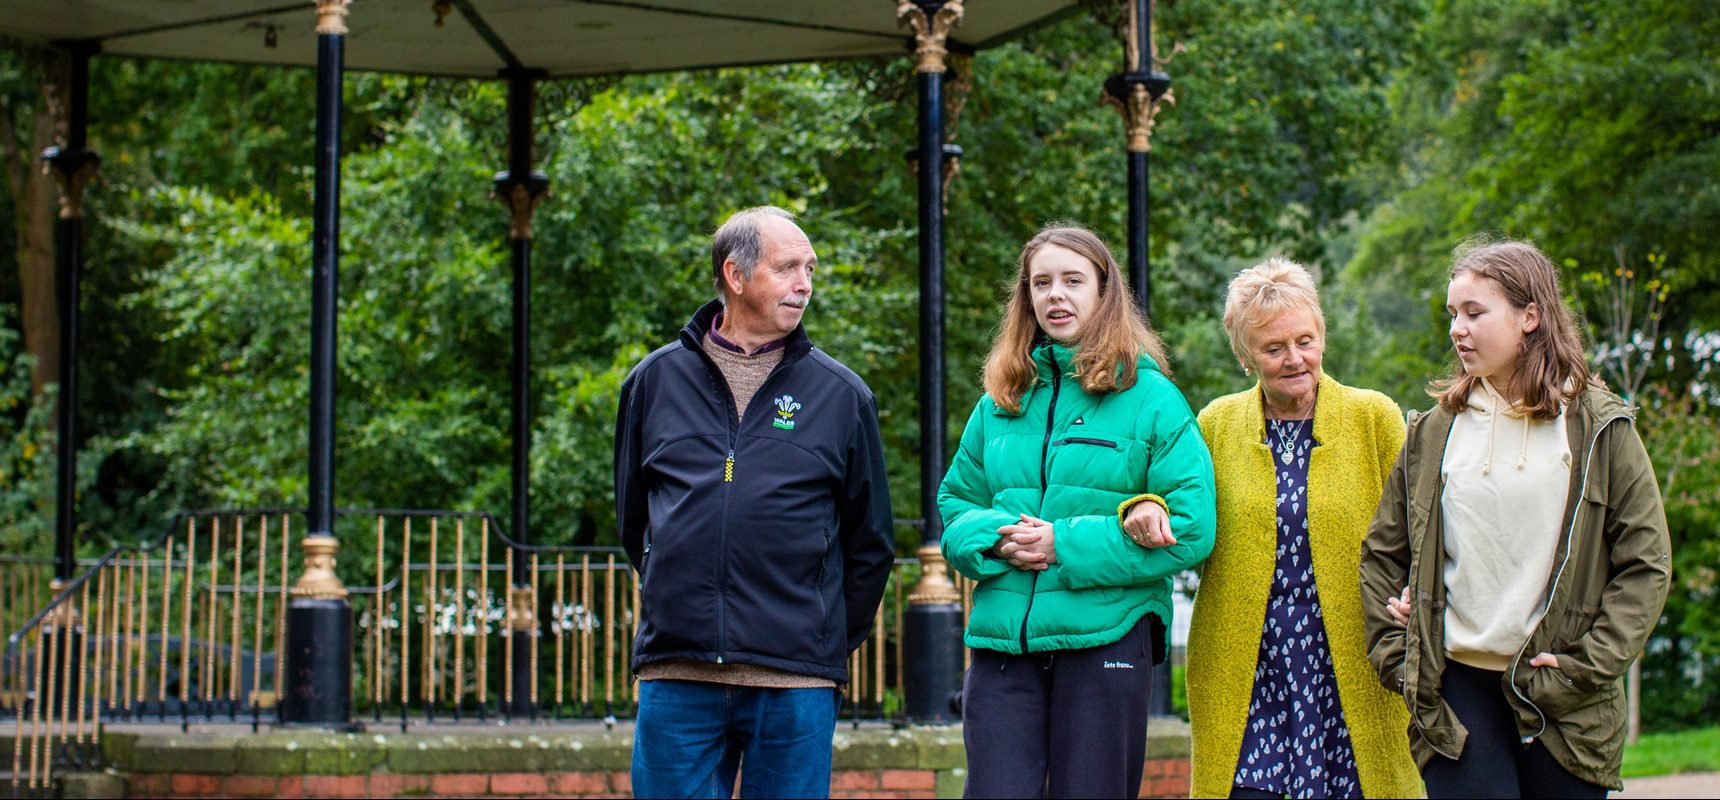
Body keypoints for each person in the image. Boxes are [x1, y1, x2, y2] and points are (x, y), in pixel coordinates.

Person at [1359, 239, 1672, 798]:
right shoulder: (1433, 432)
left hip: (1564, 696)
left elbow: (1646, 566)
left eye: (1475, 313)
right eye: (1452, 314)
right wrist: (1399, 660)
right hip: (1455, 690)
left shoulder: (1601, 427)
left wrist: (1583, 666)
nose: (1458, 329)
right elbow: (1382, 555)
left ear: (1530, 316)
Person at [614, 206, 895, 799]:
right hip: (677, 670)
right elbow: (634, 519)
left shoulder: (843, 395)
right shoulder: (652, 381)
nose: (805, 285)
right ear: (735, 275)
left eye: (811, 270)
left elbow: (870, 542)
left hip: (795, 679)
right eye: (788, 267)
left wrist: (817, 635)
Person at [938, 224, 1216, 799]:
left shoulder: (1151, 397)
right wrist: (995, 537)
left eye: (1072, 281)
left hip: (1106, 641)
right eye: (1041, 283)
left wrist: (1061, 543)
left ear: (1103, 292)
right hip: (1003, 647)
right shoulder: (1000, 400)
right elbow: (954, 505)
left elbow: (1192, 526)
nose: (1055, 295)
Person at [1184, 258, 1421, 799]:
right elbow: (1175, 501)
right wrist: (1143, 509)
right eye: (1273, 348)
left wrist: (1415, 596)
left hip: (1354, 664)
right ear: (1246, 357)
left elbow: (1425, 528)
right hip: (1249, 668)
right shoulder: (1215, 425)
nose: (1295, 359)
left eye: (1305, 341)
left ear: (1322, 338)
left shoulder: (1373, 418)